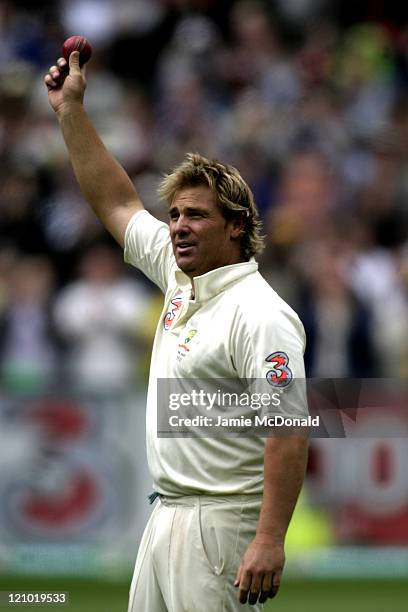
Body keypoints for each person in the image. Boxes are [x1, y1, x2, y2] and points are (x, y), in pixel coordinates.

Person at [44, 51, 309, 611]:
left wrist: (268, 538)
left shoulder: (260, 314)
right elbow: (115, 199)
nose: (179, 228)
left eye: (196, 216)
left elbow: (288, 432)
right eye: (174, 215)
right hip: (166, 513)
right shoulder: (178, 274)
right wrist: (70, 110)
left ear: (237, 227)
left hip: (223, 525)